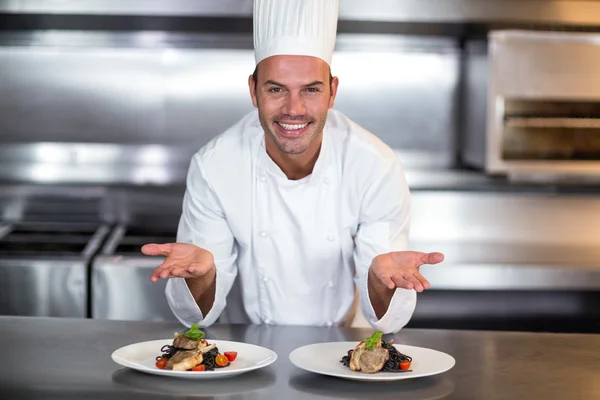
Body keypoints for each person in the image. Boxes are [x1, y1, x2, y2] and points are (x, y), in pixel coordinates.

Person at [141, 0, 444, 334]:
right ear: (254, 91)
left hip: (342, 350)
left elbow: (386, 315)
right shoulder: (215, 166)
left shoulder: (374, 164)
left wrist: (381, 278)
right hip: (247, 353)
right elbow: (196, 316)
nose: (293, 109)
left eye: (311, 90)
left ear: (332, 93)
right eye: (276, 89)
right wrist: (202, 277)